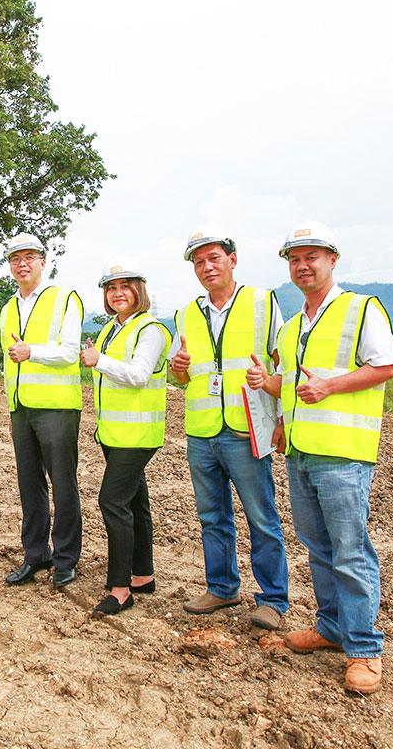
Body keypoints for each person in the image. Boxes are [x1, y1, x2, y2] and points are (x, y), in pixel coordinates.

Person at [247, 220, 393, 695]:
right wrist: (275, 410)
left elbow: (386, 366)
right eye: (294, 258)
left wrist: (329, 385)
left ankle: (364, 650)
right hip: (300, 452)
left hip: (344, 454)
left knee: (351, 552)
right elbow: (293, 386)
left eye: (311, 256)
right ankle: (331, 628)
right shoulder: (293, 327)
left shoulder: (361, 309)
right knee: (318, 548)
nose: (302, 265)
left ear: (333, 259)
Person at [170, 225, 290, 630]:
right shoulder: (186, 312)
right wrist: (179, 371)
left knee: (261, 516)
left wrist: (284, 419)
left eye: (214, 258)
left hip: (245, 428)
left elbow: (283, 361)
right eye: (199, 262)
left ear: (232, 260)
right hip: (202, 431)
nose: (206, 267)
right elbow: (180, 375)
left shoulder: (262, 302)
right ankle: (221, 588)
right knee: (212, 516)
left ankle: (273, 599)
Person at [80, 257, 172, 615]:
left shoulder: (151, 329)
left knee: (112, 502)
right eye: (111, 288)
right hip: (115, 433)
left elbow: (138, 373)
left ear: (139, 290)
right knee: (135, 503)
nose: (118, 293)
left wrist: (98, 359)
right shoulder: (111, 329)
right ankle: (142, 575)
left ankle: (120, 588)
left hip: (137, 434)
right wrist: (97, 355)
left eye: (125, 286)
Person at [0, 232, 84, 588]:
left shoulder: (64, 299)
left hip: (57, 408)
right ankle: (36, 555)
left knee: (62, 484)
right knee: (29, 485)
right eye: (16, 258)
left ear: (43, 263)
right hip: (21, 407)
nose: (22, 263)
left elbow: (69, 351)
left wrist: (33, 352)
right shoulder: (7, 308)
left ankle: (65, 558)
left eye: (30, 257)